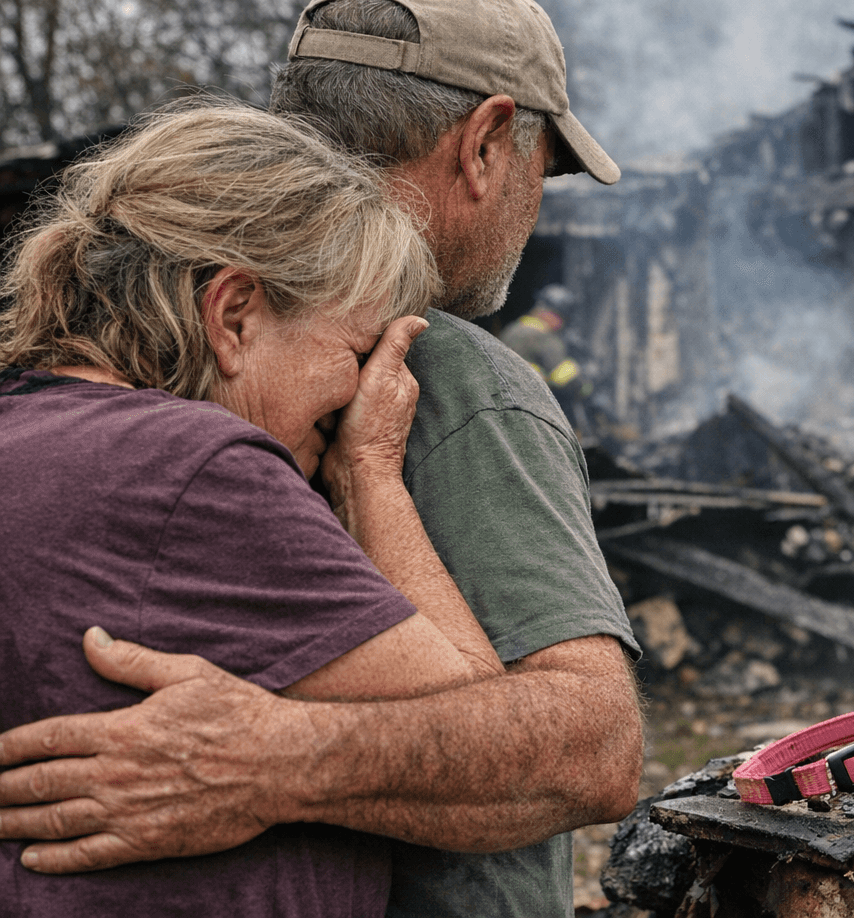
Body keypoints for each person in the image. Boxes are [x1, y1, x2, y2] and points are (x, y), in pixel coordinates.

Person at [0, 0, 643, 918]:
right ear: (487, 141)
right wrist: (269, 758)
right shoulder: (440, 377)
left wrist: (269, 755)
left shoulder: (43, 419)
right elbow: (591, 750)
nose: (354, 389)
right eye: (542, 171)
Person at [0, 100, 506, 915]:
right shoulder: (193, 467)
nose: (360, 390)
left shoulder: (28, 433)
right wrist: (369, 470)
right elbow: (486, 740)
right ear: (234, 315)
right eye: (355, 350)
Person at [501, 284, 594, 431]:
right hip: (533, 411)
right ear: (554, 315)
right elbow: (562, 377)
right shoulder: (543, 336)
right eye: (563, 318)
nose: (562, 324)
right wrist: (585, 386)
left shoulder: (512, 330)